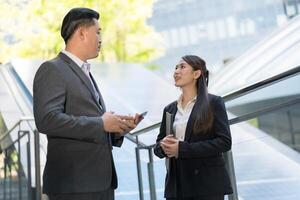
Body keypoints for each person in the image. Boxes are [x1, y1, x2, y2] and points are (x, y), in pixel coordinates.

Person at [33, 7, 141, 200]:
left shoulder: (85, 71)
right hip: (74, 185)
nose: (101, 38)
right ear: (82, 33)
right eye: (98, 32)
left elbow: (92, 123)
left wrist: (115, 129)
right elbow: (47, 120)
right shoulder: (52, 69)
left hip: (100, 182)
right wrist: (101, 124)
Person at [154, 55, 233, 200]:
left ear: (196, 74)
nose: (176, 71)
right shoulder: (169, 109)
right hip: (177, 187)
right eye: (175, 67)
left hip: (207, 185)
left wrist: (181, 148)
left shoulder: (214, 103)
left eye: (182, 67)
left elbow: (224, 142)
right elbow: (157, 147)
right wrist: (163, 146)